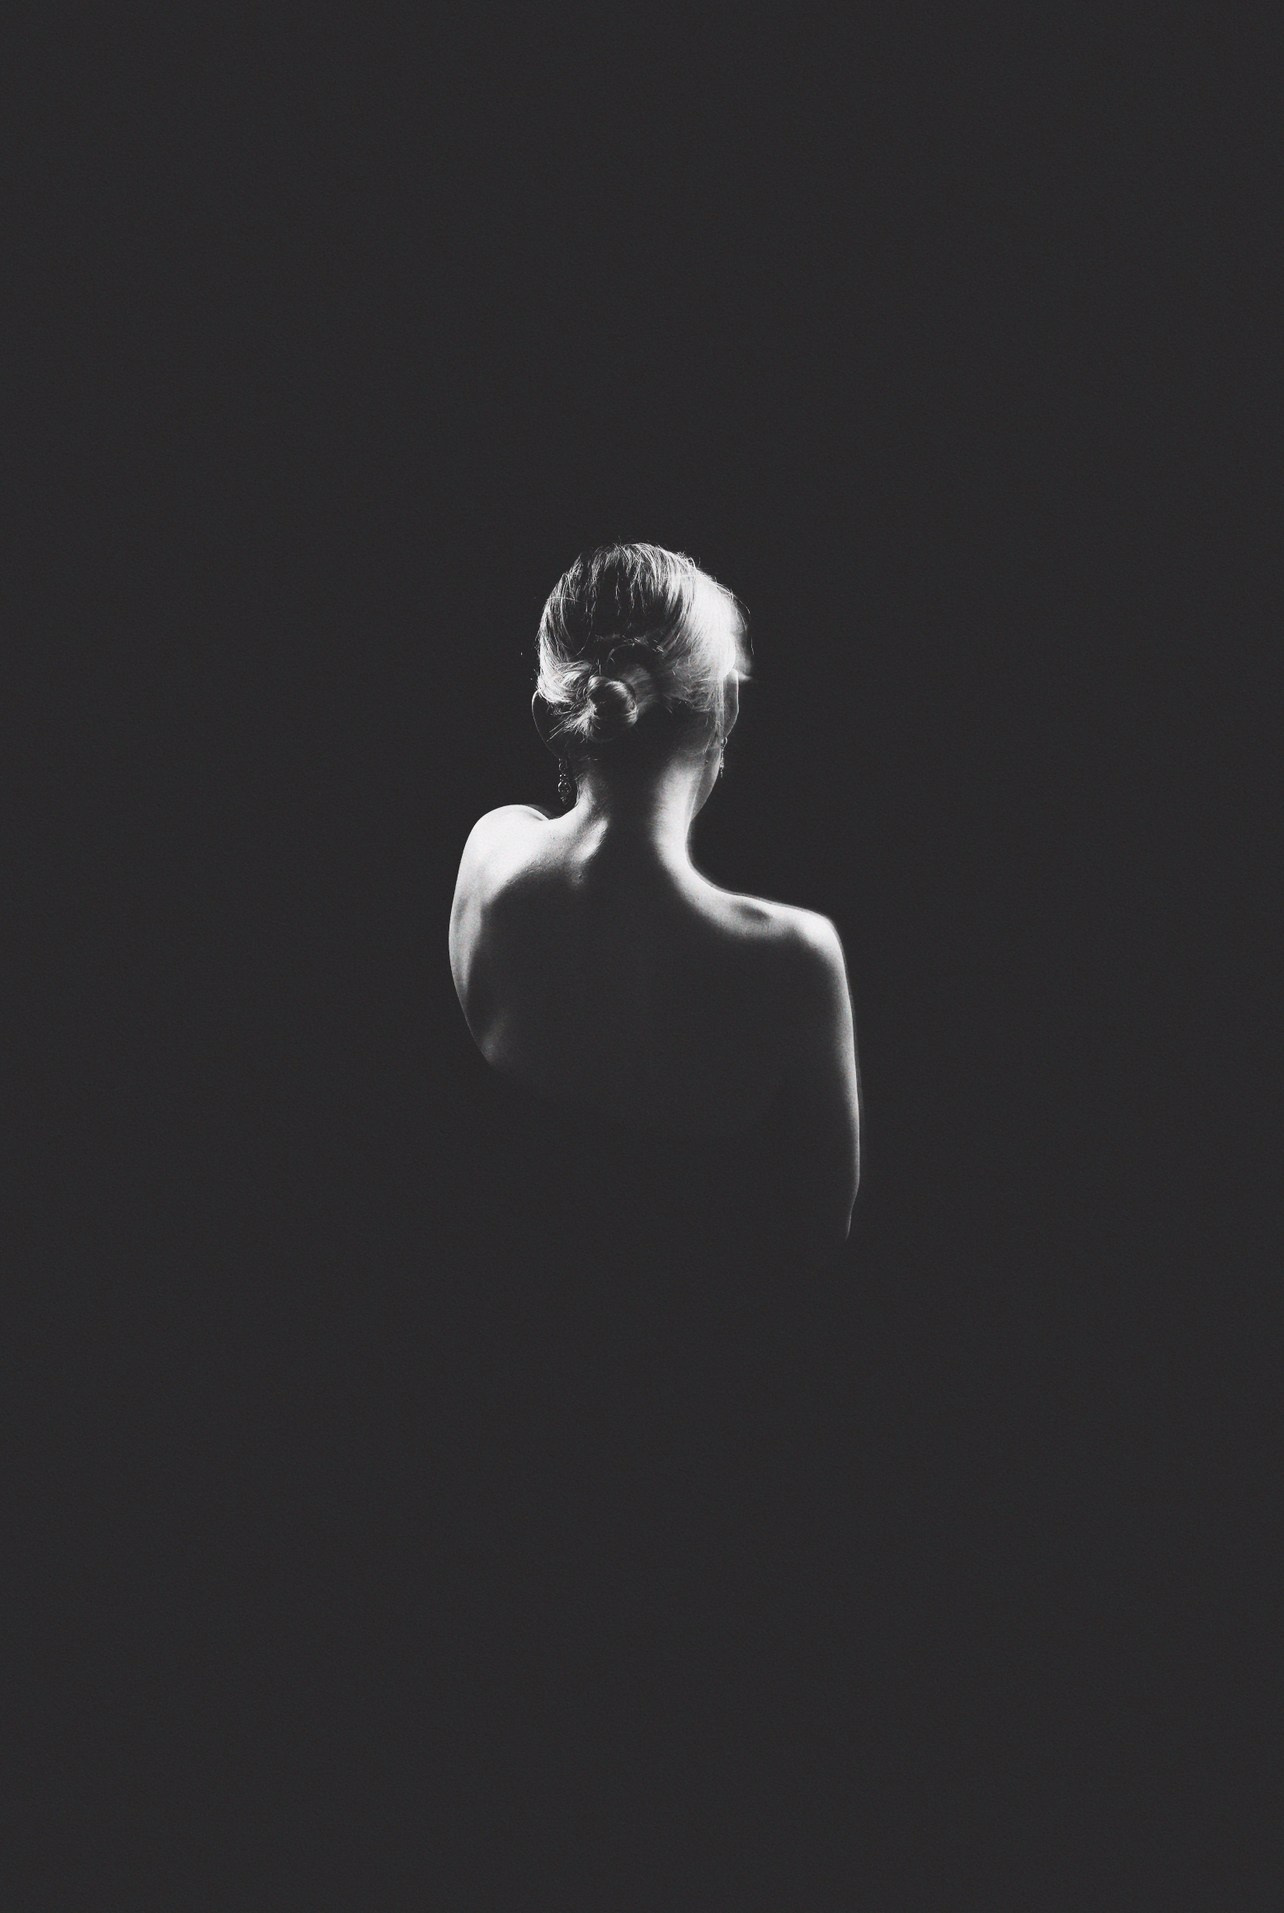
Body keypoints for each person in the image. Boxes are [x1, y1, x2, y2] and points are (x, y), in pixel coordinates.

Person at [448, 541, 861, 1268]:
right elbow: (819, 1242)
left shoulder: (490, 851)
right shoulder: (793, 963)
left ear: (548, 716)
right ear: (727, 705)